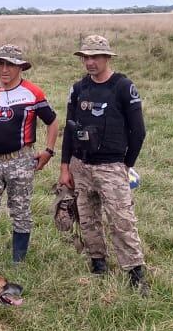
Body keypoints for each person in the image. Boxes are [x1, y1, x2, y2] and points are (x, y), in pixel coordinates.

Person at [58, 35, 149, 294]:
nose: (90, 62)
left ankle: (135, 272)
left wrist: (125, 165)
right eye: (86, 57)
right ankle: (97, 263)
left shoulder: (122, 87)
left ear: (107, 58)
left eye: (95, 57)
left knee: (122, 220)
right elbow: (69, 129)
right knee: (87, 219)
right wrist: (65, 167)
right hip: (81, 165)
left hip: (112, 166)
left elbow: (138, 132)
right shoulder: (78, 89)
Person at [0, 44, 59, 263]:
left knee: (20, 209)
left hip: (21, 160)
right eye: (0, 64)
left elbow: (53, 121)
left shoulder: (33, 93)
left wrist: (48, 151)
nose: (4, 69)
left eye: (10, 64)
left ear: (21, 68)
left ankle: (18, 260)